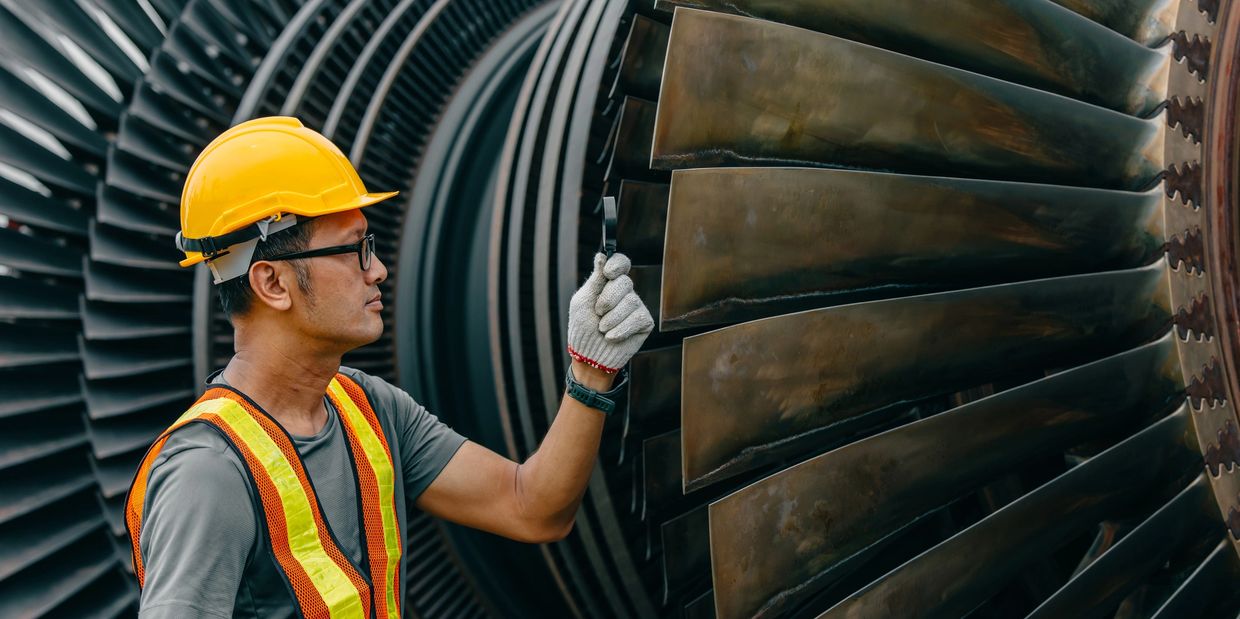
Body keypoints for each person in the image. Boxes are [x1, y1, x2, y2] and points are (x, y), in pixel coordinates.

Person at [124, 117, 654, 618]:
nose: (377, 269)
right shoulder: (209, 474)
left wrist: (591, 372)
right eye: (353, 249)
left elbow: (532, 507)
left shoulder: (369, 410)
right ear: (272, 284)